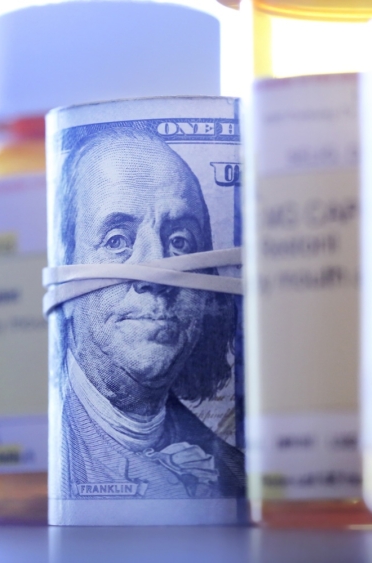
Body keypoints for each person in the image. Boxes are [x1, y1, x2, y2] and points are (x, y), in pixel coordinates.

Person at [54, 127, 244, 499]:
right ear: (64, 275)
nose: (156, 276)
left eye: (179, 242)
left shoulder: (235, 473)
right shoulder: (35, 469)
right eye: (117, 241)